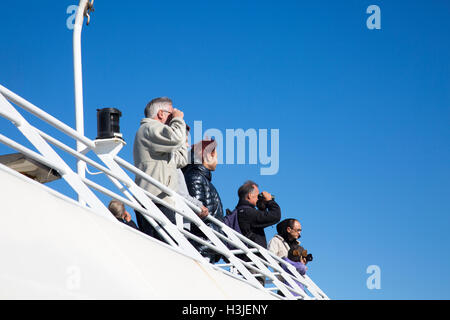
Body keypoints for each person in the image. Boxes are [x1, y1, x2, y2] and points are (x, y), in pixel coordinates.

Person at [133, 97, 187, 239]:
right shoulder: (149, 128)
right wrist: (178, 120)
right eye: (170, 113)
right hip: (155, 200)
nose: (173, 115)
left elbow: (181, 160)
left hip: (161, 200)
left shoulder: (158, 137)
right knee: (163, 247)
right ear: (161, 114)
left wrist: (182, 134)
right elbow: (176, 138)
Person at [182, 138, 223, 262]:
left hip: (207, 246)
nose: (217, 159)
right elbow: (198, 213)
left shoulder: (201, 178)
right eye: (215, 155)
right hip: (201, 246)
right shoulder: (195, 177)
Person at [235, 181, 281, 249]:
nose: (258, 198)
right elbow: (275, 215)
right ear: (249, 195)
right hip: (250, 256)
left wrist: (262, 208)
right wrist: (270, 201)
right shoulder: (247, 212)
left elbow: (257, 224)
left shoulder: (240, 211)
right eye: (257, 196)